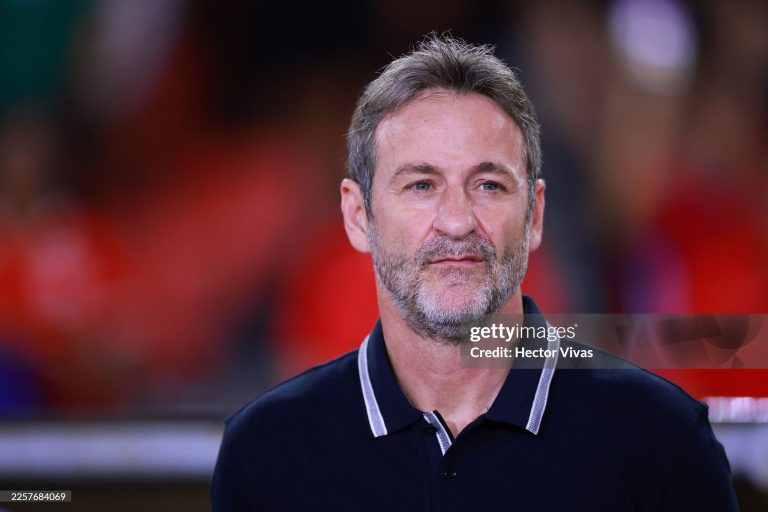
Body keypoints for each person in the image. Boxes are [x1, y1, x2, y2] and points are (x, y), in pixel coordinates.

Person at [211, 35, 738, 511]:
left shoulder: (662, 439)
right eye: (421, 185)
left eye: (488, 185)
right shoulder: (267, 451)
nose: (458, 220)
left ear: (534, 215)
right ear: (358, 216)